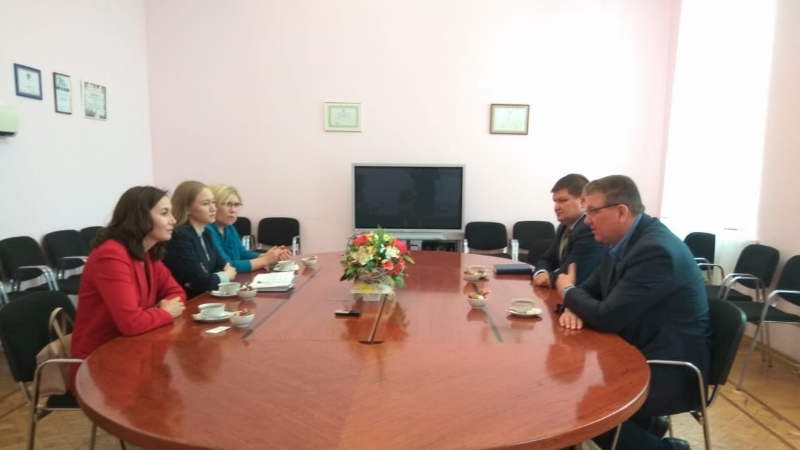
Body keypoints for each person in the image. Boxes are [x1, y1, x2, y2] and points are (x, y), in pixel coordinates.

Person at [554, 175, 711, 450]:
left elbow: (606, 316)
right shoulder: (620, 241)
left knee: (586, 411)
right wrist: (573, 304)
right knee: (573, 393)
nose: (587, 220)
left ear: (621, 211)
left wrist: (568, 292)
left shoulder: (655, 250)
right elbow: (590, 289)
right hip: (637, 347)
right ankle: (649, 429)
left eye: (593, 211)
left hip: (669, 368)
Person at [71, 186, 187, 389]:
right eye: (164, 213)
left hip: (136, 348)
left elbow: (177, 293)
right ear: (140, 217)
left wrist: (154, 314)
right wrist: (164, 313)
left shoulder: (147, 252)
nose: (173, 220)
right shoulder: (111, 255)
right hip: (100, 361)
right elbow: (131, 323)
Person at [164, 181, 236, 298]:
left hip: (206, 297)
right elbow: (201, 283)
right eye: (206, 203)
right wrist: (225, 275)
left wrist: (209, 277)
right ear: (187, 208)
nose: (213, 208)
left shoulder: (206, 232)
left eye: (213, 202)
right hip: (188, 301)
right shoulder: (179, 236)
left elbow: (222, 265)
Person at [530, 173, 605, 287]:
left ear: (583, 201)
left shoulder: (588, 229)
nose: (556, 207)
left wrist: (548, 278)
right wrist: (541, 273)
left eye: (562, 200)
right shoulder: (564, 226)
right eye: (555, 201)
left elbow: (573, 275)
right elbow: (548, 259)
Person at [206, 184, 291, 272]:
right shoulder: (206, 231)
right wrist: (265, 260)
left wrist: (272, 256)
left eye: (236, 205)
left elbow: (243, 254)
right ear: (213, 206)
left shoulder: (229, 228)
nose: (233, 210)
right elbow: (226, 266)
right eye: (228, 204)